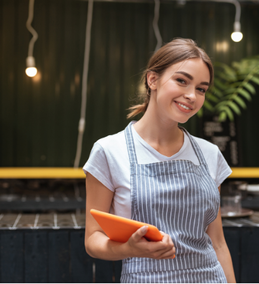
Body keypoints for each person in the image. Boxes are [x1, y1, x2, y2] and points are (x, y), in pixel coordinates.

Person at [83, 38, 236, 283]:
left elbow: (217, 243)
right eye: (182, 81)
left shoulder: (209, 154)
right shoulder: (109, 151)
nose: (192, 95)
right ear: (152, 80)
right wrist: (128, 249)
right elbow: (93, 239)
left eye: (201, 89)